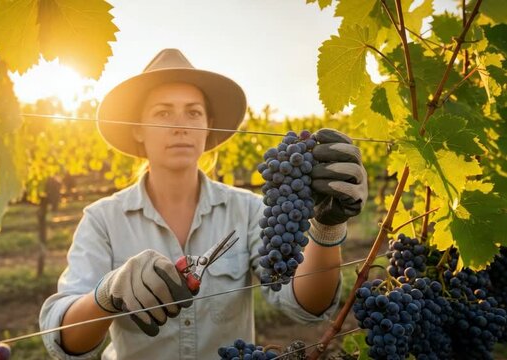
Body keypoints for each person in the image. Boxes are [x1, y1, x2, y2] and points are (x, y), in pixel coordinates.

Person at [39, 49, 368, 359]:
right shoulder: (102, 219)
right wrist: (105, 296)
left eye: (193, 112)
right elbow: (64, 340)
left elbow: (303, 305)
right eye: (163, 112)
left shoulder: (249, 210)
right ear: (138, 130)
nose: (180, 125)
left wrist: (326, 228)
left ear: (207, 126)